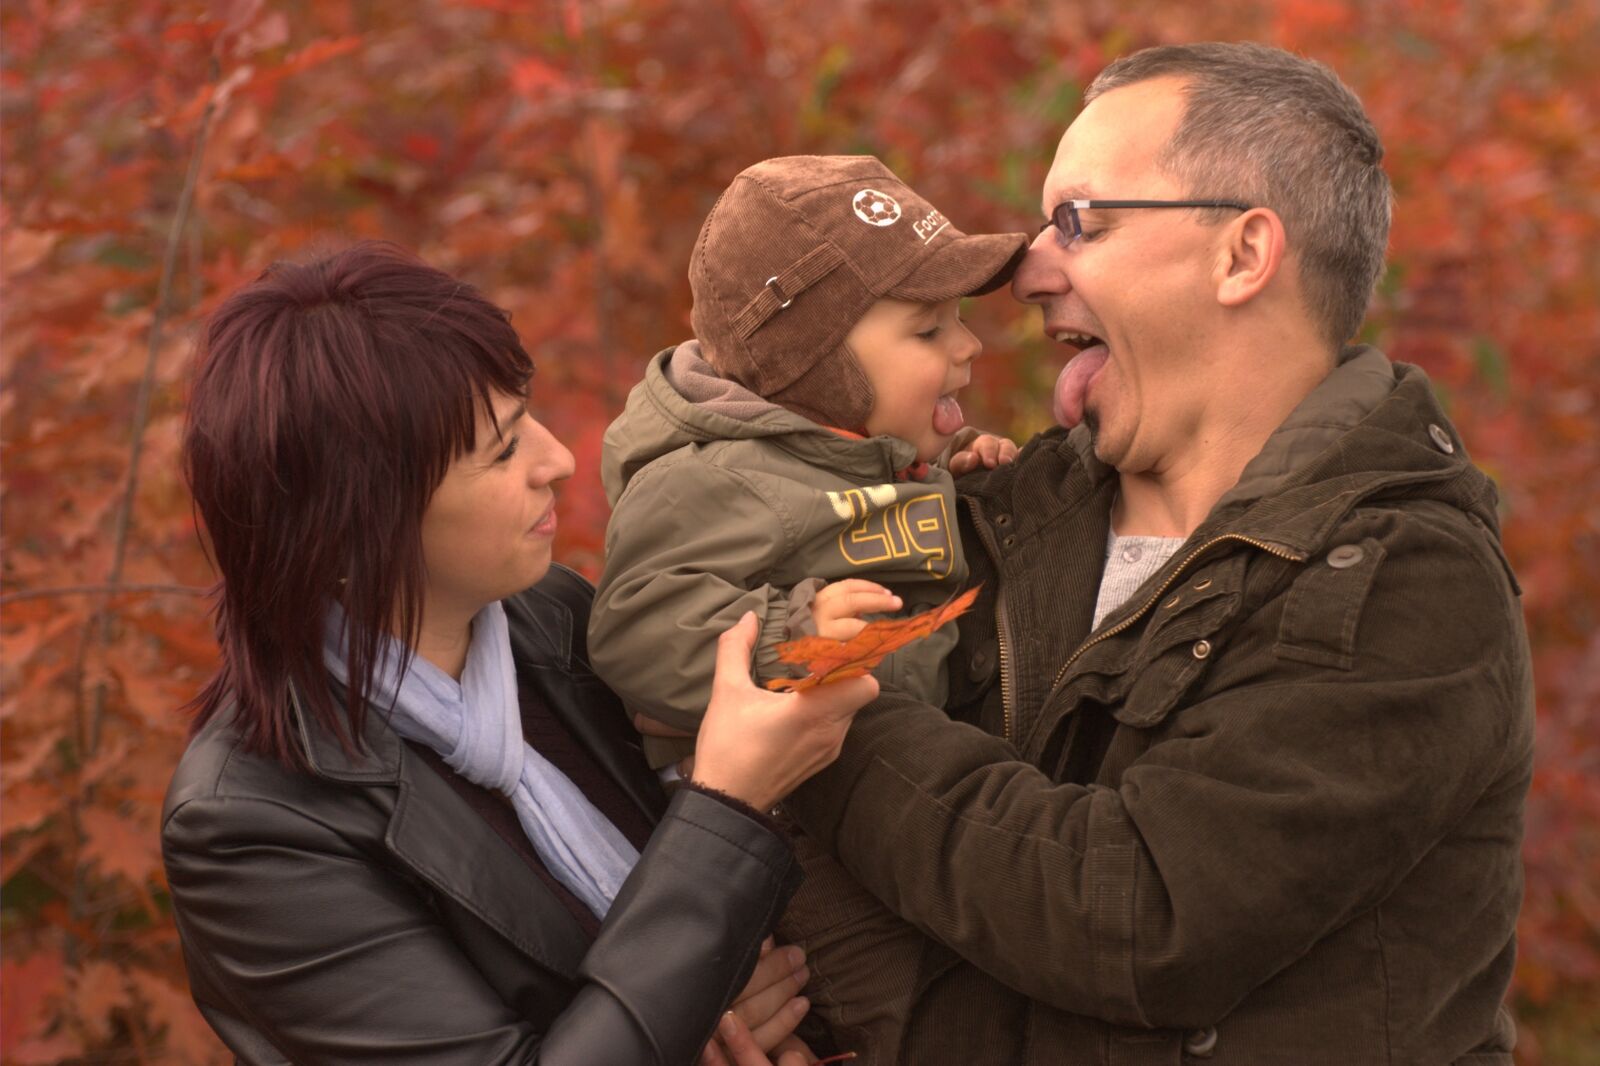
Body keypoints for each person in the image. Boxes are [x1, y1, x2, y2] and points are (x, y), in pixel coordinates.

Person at [742, 42, 1536, 1065]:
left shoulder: (1401, 582)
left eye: (1080, 220)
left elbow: (1137, 918)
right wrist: (733, 973)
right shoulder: (984, 512)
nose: (1024, 268)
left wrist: (825, 699)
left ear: (1241, 255)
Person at [160, 241, 879, 1066]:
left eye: (525, 415)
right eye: (501, 450)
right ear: (360, 524)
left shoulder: (551, 623)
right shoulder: (253, 829)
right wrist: (726, 805)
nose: (557, 461)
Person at [587, 154, 1027, 1063]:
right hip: (798, 828)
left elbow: (874, 521)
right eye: (927, 331)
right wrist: (791, 640)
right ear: (813, 362)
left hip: (895, 778)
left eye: (959, 323)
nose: (967, 348)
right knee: (914, 1017)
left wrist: (955, 482)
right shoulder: (711, 479)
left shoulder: (856, 448)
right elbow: (634, 622)